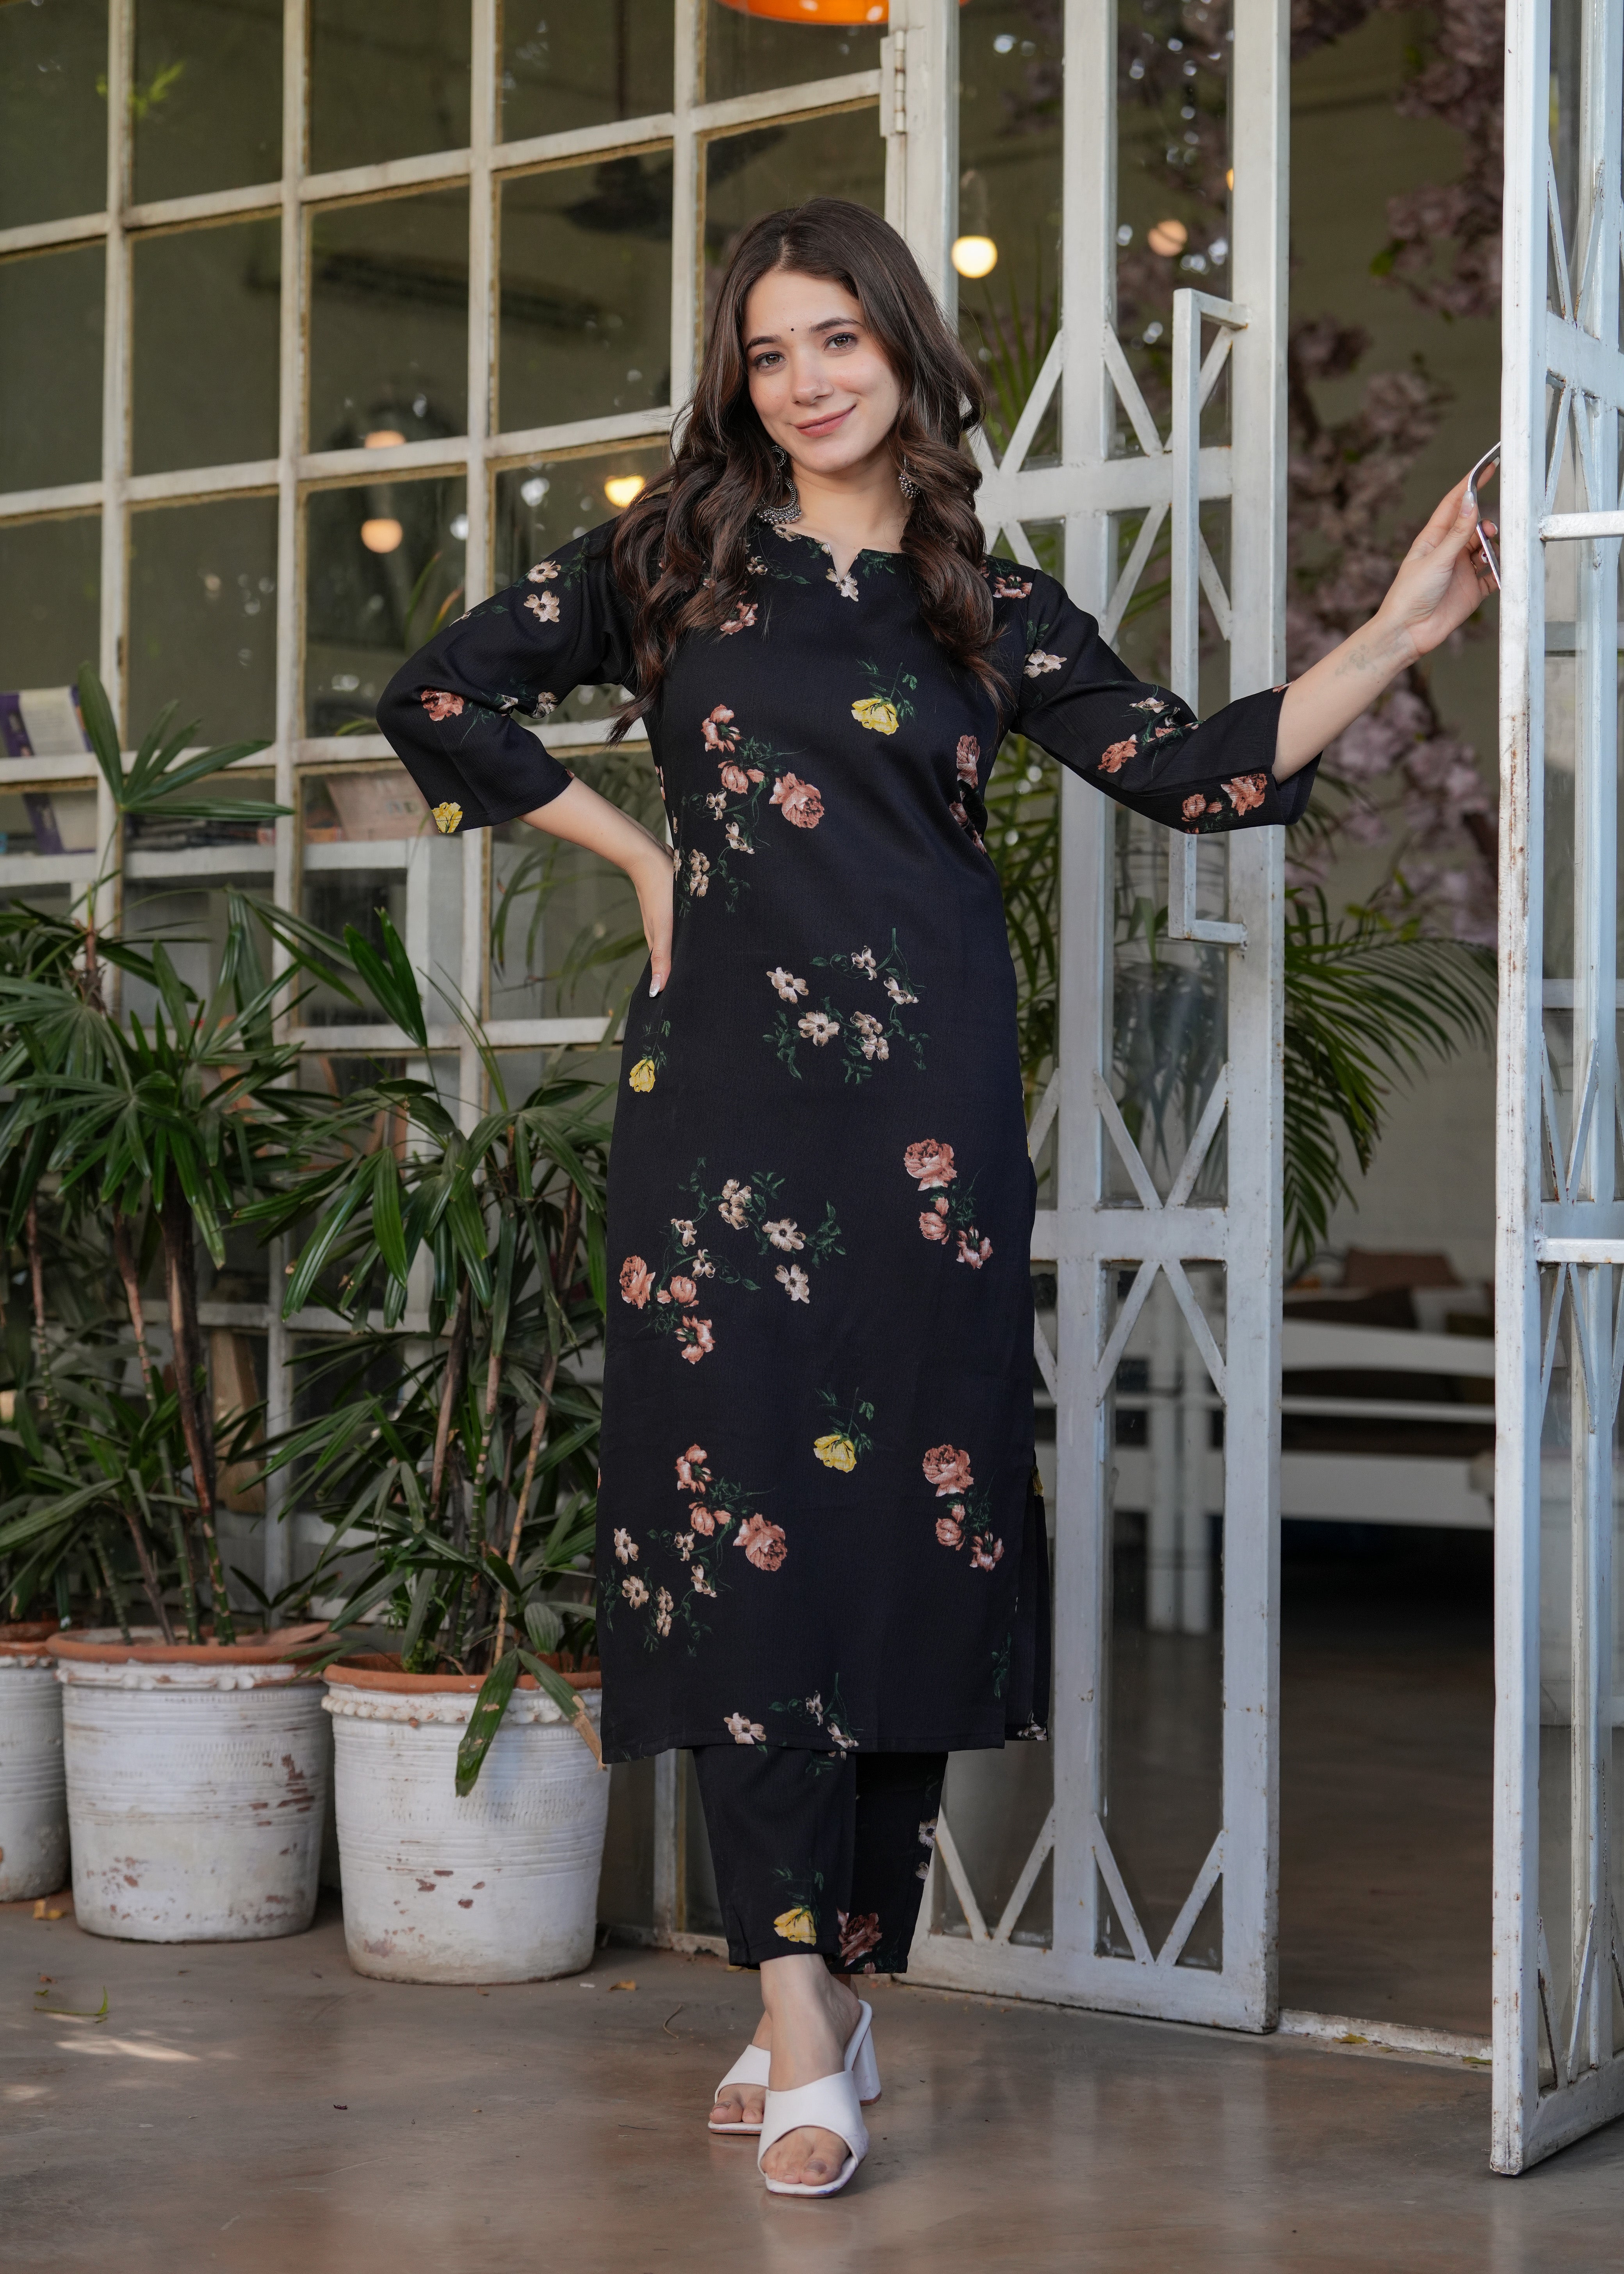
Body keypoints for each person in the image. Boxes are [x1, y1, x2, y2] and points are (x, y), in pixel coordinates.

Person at [378, 197, 1496, 2198]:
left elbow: (1198, 773)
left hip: (929, 1138)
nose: (801, 381)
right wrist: (640, 865)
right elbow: (439, 695)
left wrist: (1403, 630)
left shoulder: (983, 597)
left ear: (904, 348)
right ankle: (796, 2007)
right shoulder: (669, 562)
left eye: (838, 342)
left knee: (898, 1542)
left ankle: (834, 1974)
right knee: (741, 1549)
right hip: (715, 1126)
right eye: (768, 349)